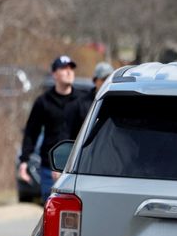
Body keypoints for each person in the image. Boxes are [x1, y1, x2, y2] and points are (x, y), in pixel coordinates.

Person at [18, 54, 79, 205]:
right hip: (49, 169)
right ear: (54, 74)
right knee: (51, 209)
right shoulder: (43, 102)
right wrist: (24, 161)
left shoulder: (82, 101)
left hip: (77, 168)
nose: (69, 72)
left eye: (71, 68)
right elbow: (31, 132)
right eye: (64, 68)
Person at [66, 61, 114, 139]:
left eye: (110, 78)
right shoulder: (81, 104)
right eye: (104, 79)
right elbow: (71, 133)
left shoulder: (119, 103)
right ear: (95, 80)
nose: (107, 82)